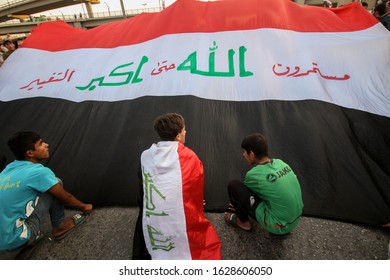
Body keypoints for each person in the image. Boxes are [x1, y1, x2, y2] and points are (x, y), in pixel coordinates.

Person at [132, 113, 221, 260]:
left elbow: (142, 184)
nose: (186, 132)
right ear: (179, 136)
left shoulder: (146, 155)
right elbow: (195, 186)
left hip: (152, 211)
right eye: (184, 130)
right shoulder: (189, 156)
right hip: (178, 212)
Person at [0, 131, 93, 252]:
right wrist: (84, 206)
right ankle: (59, 227)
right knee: (54, 184)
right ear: (30, 153)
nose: (46, 144)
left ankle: (22, 239)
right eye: (41, 144)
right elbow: (66, 198)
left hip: (2, 242)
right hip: (17, 238)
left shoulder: (8, 170)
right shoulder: (38, 172)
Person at [224, 133, 304, 235]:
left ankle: (244, 223)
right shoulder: (281, 163)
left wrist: (233, 204)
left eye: (244, 152)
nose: (243, 155)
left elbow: (244, 196)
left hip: (279, 226)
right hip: (295, 219)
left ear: (252, 154)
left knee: (233, 185)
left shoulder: (254, 174)